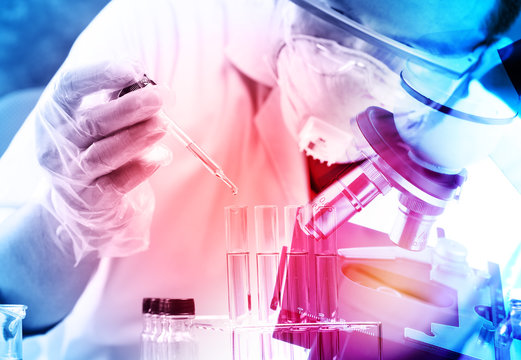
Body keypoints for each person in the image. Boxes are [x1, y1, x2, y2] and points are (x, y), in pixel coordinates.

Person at [0, 0, 520, 358]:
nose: (352, 65)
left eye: (419, 54)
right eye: (337, 13)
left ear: (487, 55)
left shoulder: (494, 172)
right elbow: (6, 308)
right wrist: (64, 217)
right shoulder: (168, 25)